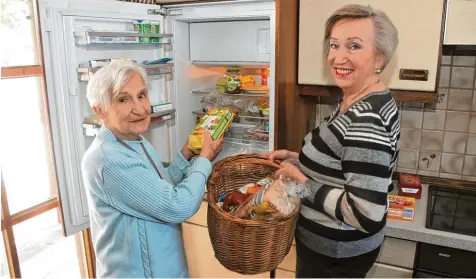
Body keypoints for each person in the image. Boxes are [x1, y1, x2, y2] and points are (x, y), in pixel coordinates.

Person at [267, 4, 400, 278]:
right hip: (330, 252)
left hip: (335, 258)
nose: (338, 57)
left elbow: (365, 214)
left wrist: (301, 182)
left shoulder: (366, 120)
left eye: (353, 46)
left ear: (379, 57)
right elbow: (343, 160)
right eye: (334, 45)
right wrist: (298, 159)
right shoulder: (356, 97)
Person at [81, 60, 223, 278]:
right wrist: (205, 158)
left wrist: (186, 154)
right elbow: (178, 206)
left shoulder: (133, 139)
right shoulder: (109, 160)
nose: (139, 109)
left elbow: (160, 188)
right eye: (122, 99)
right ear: (100, 110)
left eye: (141, 95)